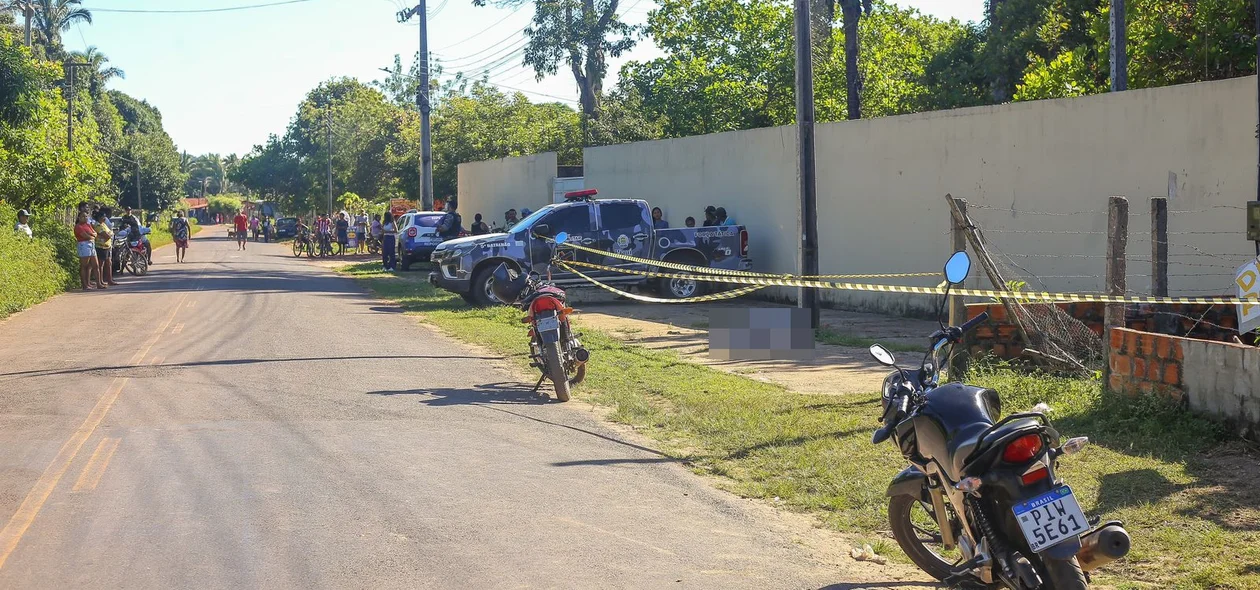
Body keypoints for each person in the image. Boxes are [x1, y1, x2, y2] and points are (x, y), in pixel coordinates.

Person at [74, 211, 102, 290]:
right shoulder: (78, 226)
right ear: (79, 218)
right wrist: (92, 236)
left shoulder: (88, 225)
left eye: (86, 216)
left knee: (95, 265)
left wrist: (92, 235)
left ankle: (99, 283)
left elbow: (95, 233)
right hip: (84, 245)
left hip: (92, 245)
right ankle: (85, 285)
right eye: (83, 216)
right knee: (84, 266)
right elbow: (85, 236)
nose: (85, 218)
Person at [92, 211, 119, 287]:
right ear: (99, 217)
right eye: (103, 217)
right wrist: (109, 234)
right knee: (101, 265)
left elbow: (110, 233)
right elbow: (107, 235)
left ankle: (110, 280)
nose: (104, 218)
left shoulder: (103, 224)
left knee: (109, 263)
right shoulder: (97, 225)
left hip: (108, 246)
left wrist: (109, 234)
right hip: (101, 247)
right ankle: (100, 281)